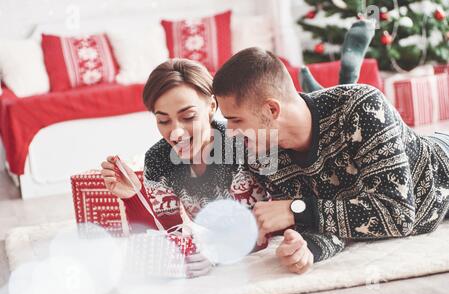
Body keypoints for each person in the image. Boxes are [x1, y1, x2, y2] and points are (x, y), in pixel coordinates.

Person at [212, 47, 449, 275]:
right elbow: (329, 219)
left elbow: (398, 214)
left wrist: (296, 209)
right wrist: (307, 248)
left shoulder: (361, 106)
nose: (231, 132)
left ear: (272, 110)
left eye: (236, 120)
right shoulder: (261, 155)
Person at [100, 59, 267, 278]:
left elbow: (272, 224)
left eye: (187, 117)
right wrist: (133, 196)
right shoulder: (158, 158)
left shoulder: (246, 141)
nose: (175, 133)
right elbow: (165, 235)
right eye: (163, 121)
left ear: (212, 106)